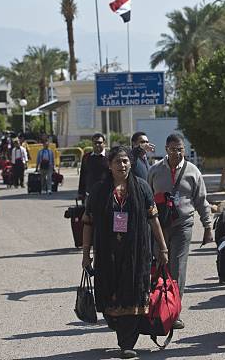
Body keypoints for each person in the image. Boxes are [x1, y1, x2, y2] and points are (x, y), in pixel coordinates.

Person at [81, 146, 169, 359]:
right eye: (118, 162)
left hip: (137, 252)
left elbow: (153, 220)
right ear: (109, 165)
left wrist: (163, 247)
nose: (122, 165)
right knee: (111, 299)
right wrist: (86, 254)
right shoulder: (99, 191)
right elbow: (88, 224)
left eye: (125, 161)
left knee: (133, 293)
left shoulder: (142, 188)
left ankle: (127, 343)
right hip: (107, 252)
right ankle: (120, 329)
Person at [148, 133, 213, 329]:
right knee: (159, 264)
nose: (177, 152)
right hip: (160, 226)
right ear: (166, 149)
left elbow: (202, 200)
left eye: (181, 149)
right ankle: (155, 306)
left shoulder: (193, 171)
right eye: (173, 149)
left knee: (177, 267)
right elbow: (147, 198)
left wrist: (208, 226)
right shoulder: (155, 170)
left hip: (183, 224)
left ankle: (174, 312)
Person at [77, 133, 109, 202]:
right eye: (95, 143)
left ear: (104, 143)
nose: (97, 145)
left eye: (99, 143)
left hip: (107, 194)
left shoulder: (110, 157)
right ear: (92, 144)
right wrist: (81, 193)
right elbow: (83, 175)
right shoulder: (86, 157)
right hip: (89, 194)